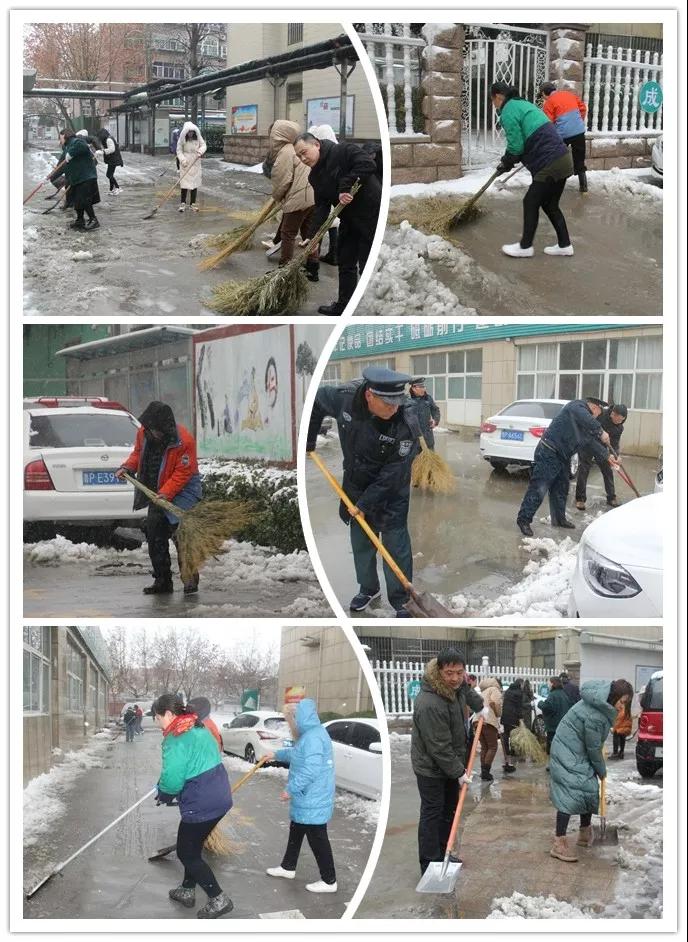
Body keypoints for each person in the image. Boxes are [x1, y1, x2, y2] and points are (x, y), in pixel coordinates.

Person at [306, 366, 422, 616]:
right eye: (388, 404)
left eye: (397, 402)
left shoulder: (407, 420)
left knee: (395, 547)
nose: (394, 409)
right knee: (362, 544)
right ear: (370, 395)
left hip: (392, 493)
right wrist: (308, 440)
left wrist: (364, 503)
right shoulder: (344, 398)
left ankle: (402, 600)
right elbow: (316, 402)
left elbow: (394, 474)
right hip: (355, 484)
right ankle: (368, 588)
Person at [152, 694, 234, 917]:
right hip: (219, 797)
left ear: (169, 714)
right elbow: (192, 763)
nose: (159, 723)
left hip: (201, 802)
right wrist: (166, 784)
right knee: (193, 847)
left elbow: (173, 778)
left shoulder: (176, 737)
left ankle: (218, 899)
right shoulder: (198, 727)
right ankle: (187, 890)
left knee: (187, 853)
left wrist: (165, 792)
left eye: (158, 718)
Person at [411, 648, 485, 875]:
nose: (455, 678)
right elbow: (438, 747)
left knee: (449, 810)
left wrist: (480, 706)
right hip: (430, 767)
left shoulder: (456, 685)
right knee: (433, 814)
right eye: (449, 673)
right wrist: (458, 772)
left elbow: (466, 689)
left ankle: (444, 852)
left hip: (451, 763)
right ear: (439, 671)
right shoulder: (430, 702)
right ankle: (429, 864)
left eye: (459, 672)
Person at [117, 401, 202, 595]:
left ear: (165, 428)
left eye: (155, 430)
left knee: (182, 536)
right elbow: (138, 454)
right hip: (156, 492)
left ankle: (189, 579)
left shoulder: (184, 441)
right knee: (155, 534)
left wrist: (167, 493)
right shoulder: (144, 433)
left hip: (183, 492)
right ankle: (162, 582)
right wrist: (127, 467)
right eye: (149, 429)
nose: (151, 433)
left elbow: (182, 473)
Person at [294, 131, 382, 315]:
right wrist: (312, 238)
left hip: (371, 215)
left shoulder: (343, 151)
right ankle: (344, 306)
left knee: (367, 264)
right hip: (348, 220)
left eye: (304, 152)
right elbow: (321, 208)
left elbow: (368, 164)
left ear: (316, 144)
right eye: (299, 156)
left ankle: (374, 310)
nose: (303, 158)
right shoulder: (314, 176)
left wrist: (345, 186)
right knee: (345, 262)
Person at [548, 678, 634, 862]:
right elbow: (593, 748)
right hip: (567, 751)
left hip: (576, 748)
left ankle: (584, 833)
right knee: (570, 792)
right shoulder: (597, 714)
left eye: (625, 703)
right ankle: (559, 843)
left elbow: (592, 745)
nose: (621, 706)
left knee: (588, 788)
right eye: (621, 701)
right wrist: (601, 770)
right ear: (613, 696)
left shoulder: (600, 704)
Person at [490, 82, 574, 258]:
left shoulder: (508, 110)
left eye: (493, 101)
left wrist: (506, 161)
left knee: (530, 202)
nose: (494, 105)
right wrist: (507, 161)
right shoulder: (523, 104)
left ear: (498, 96)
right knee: (550, 204)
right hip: (563, 159)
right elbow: (522, 144)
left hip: (549, 161)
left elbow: (516, 146)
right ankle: (565, 245)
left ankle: (525, 246)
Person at [516, 397, 620, 536]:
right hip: (549, 452)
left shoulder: (584, 424)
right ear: (595, 407)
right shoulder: (576, 406)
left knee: (561, 489)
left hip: (563, 456)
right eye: (598, 413)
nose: (597, 417)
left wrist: (607, 456)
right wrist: (601, 431)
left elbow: (590, 442)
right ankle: (523, 520)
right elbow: (586, 419)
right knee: (539, 488)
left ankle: (559, 519)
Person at [264, 699, 337, 893]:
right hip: (308, 796)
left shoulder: (313, 738)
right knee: (296, 829)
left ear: (299, 719)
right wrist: (276, 755)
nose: (289, 725)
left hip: (313, 796)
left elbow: (310, 770)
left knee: (317, 837)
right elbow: (297, 755)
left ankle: (329, 880)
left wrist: (291, 789)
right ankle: (288, 867)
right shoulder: (310, 735)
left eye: (290, 720)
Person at [267, 120, 319, 281]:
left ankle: (284, 270)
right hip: (311, 197)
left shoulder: (286, 151)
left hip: (298, 198)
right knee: (308, 233)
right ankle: (312, 268)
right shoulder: (298, 148)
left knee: (287, 234)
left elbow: (281, 178)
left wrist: (276, 197)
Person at [575, 403, 628, 510]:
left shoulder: (619, 427)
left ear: (623, 418)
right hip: (588, 444)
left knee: (607, 470)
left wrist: (616, 456)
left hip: (603, 449)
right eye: (614, 416)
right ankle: (580, 499)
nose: (617, 420)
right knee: (584, 469)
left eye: (620, 420)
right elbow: (590, 431)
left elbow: (615, 443)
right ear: (613, 413)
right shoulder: (602, 415)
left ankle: (611, 497)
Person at [540, 83, 588, 193]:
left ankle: (553, 186)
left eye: (542, 96)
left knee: (557, 158)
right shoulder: (569, 94)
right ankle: (583, 186)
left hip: (562, 135)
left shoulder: (549, 103)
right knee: (579, 160)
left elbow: (548, 123)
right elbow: (583, 108)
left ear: (544, 93)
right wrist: (577, 122)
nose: (543, 98)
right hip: (579, 132)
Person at [308, 124, 340, 265]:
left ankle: (313, 260)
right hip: (337, 199)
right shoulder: (338, 150)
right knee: (334, 225)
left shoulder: (320, 157)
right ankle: (334, 255)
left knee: (320, 225)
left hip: (327, 199)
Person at [59, 127, 101, 231]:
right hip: (77, 178)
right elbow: (62, 164)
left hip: (86, 176)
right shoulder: (67, 146)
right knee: (77, 201)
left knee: (84, 199)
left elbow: (82, 146)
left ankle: (94, 220)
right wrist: (51, 177)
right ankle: (80, 220)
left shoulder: (76, 141)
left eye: (60, 137)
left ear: (65, 135)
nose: (60, 140)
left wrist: (71, 153)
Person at [475, 677, 503, 782]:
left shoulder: (483, 691)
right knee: (492, 747)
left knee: (484, 747)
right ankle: (486, 772)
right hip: (488, 720)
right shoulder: (494, 690)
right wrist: (498, 713)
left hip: (477, 720)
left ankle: (483, 771)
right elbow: (497, 703)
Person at [176, 122, 207, 212]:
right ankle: (183, 204)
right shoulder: (182, 140)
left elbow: (204, 145)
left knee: (194, 184)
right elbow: (179, 151)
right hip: (185, 163)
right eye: (189, 132)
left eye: (192, 132)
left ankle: (192, 204)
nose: (190, 134)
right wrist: (182, 160)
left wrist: (200, 152)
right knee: (184, 184)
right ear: (185, 132)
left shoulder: (198, 139)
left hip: (195, 162)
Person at [540, 676, 572, 754]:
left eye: (549, 683)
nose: (548, 685)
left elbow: (548, 707)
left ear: (553, 684)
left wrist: (540, 703)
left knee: (552, 748)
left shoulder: (553, 695)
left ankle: (552, 765)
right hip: (562, 725)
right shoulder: (563, 694)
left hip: (553, 726)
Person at [408, 378, 441, 450]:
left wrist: (435, 420)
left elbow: (435, 410)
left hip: (428, 438)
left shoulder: (428, 398)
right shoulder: (407, 400)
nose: (423, 389)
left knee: (431, 459)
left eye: (424, 387)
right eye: (420, 387)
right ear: (413, 388)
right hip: (413, 440)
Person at [500, 679, 523, 773]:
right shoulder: (519, 693)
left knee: (506, 734)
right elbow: (519, 706)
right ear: (519, 685)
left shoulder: (508, 692)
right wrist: (521, 717)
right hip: (514, 717)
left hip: (506, 716)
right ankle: (513, 750)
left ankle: (506, 750)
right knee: (514, 734)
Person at [97, 128, 124, 194]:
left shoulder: (109, 139)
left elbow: (112, 149)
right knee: (110, 174)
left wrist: (103, 151)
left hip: (113, 159)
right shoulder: (108, 139)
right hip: (112, 159)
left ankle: (117, 187)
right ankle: (112, 189)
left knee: (109, 174)